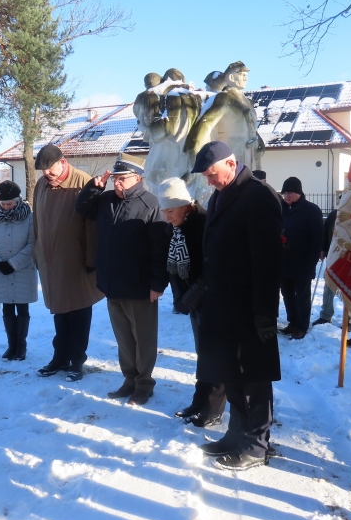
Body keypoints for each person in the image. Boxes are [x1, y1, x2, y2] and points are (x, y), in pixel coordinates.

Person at [191, 141, 284, 471]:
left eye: (212, 174)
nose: (209, 181)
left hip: (248, 306)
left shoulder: (259, 196)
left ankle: (256, 445)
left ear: (231, 164)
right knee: (230, 374)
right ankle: (236, 434)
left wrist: (265, 311)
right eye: (206, 176)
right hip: (222, 304)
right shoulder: (220, 194)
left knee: (253, 379)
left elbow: (268, 260)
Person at [76, 153, 169, 406]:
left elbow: (160, 249)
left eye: (122, 178)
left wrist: (157, 284)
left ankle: (144, 384)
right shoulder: (106, 199)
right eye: (115, 178)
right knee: (124, 338)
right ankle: (129, 379)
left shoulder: (151, 204)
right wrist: (94, 187)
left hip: (139, 286)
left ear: (137, 178)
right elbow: (82, 209)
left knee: (143, 339)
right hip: (112, 283)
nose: (117, 183)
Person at [31, 144, 104, 382]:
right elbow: (36, 222)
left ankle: (77, 360)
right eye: (42, 170)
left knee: (79, 310)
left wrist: (91, 258)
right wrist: (36, 251)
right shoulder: (41, 185)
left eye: (50, 169)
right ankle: (60, 357)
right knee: (60, 311)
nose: (46, 174)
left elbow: (92, 225)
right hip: (49, 260)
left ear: (63, 162)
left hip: (76, 259)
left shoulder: (82, 182)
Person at [158, 177, 226, 428]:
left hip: (214, 300)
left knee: (214, 355)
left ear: (185, 206)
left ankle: (214, 409)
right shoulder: (174, 229)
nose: (167, 216)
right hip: (193, 302)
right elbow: (174, 269)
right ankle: (200, 401)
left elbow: (213, 268)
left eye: (170, 210)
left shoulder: (204, 224)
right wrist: (180, 298)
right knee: (203, 354)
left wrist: (192, 296)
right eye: (164, 211)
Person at [0, 180, 37, 361]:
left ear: (17, 201)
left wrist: (13, 263)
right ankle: (11, 346)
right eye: (3, 204)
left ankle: (21, 346)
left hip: (22, 271)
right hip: (1, 271)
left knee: (22, 308)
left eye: (9, 203)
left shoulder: (29, 218)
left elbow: (33, 244)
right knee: (7, 309)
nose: (5, 207)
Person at [279, 176, 324, 340]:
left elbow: (317, 238)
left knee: (302, 296)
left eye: (289, 193)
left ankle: (302, 325)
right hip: (284, 262)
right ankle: (292, 322)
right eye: (284, 193)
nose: (286, 196)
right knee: (287, 294)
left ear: (298, 193)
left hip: (303, 262)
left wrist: (311, 262)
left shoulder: (311, 210)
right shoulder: (281, 209)